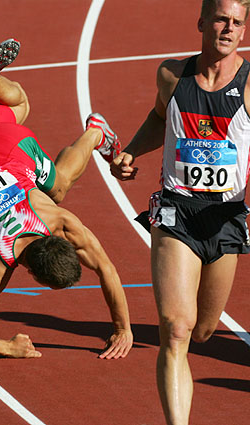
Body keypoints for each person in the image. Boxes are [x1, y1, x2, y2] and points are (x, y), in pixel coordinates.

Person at [0, 39, 133, 360]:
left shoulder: (57, 220)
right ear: (31, 273)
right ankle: (95, 134)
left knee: (20, 108)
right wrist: (9, 348)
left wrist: (122, 327)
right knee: (56, 188)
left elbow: (105, 269)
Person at [110, 0, 250, 423]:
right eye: (221, 19)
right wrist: (132, 151)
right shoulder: (172, 75)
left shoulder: (247, 83)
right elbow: (157, 119)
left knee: (204, 330)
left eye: (237, 23)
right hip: (176, 212)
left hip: (226, 216)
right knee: (175, 329)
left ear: (243, 31)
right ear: (202, 22)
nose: (228, 28)